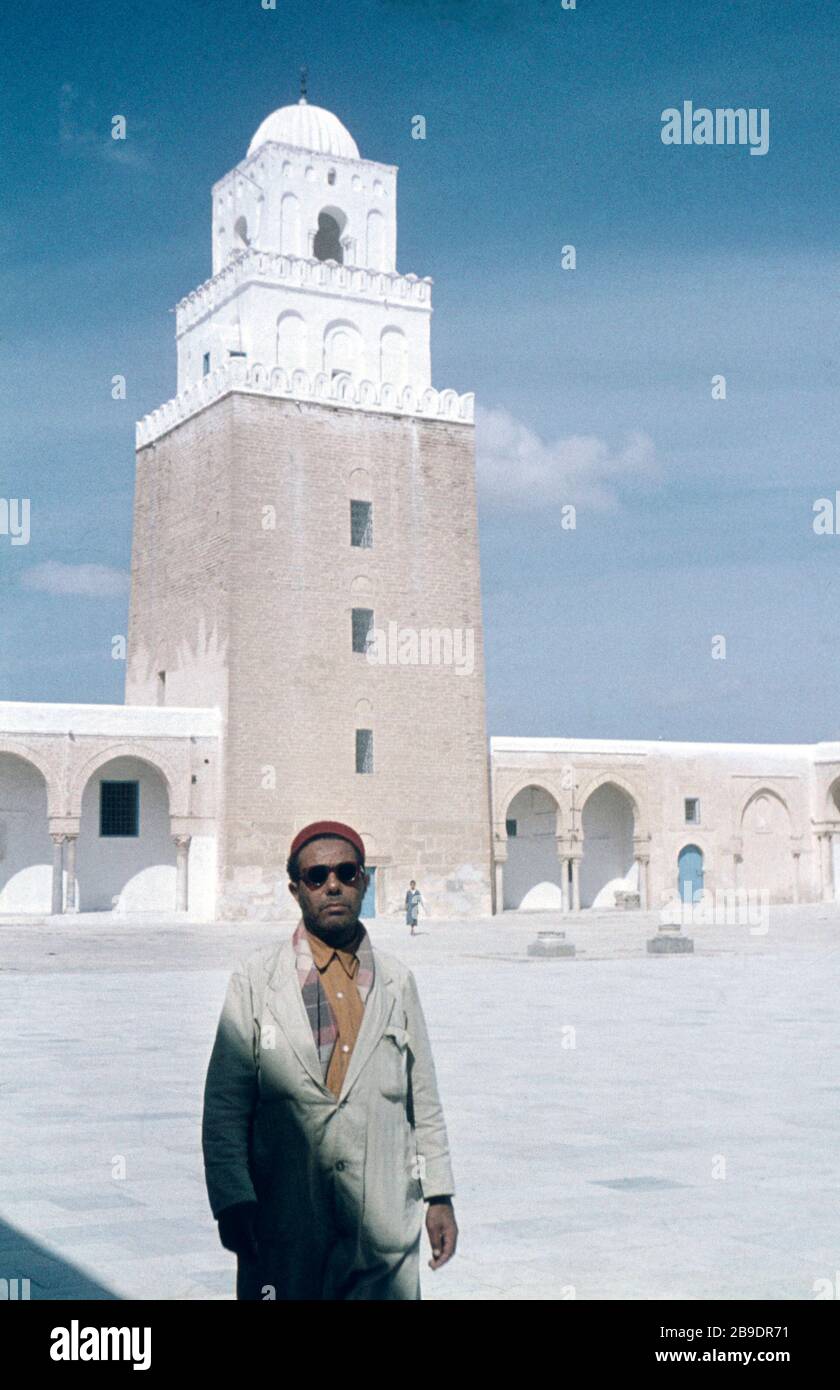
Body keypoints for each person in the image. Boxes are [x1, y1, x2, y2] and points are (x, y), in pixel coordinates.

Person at [201, 820, 458, 1300]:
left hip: (382, 1231)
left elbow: (423, 1100)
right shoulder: (256, 980)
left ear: (362, 880)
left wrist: (438, 1194)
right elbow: (224, 1105)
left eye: (346, 872)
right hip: (284, 1225)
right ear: (296, 890)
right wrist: (233, 1199)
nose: (332, 885)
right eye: (317, 877)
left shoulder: (397, 982)